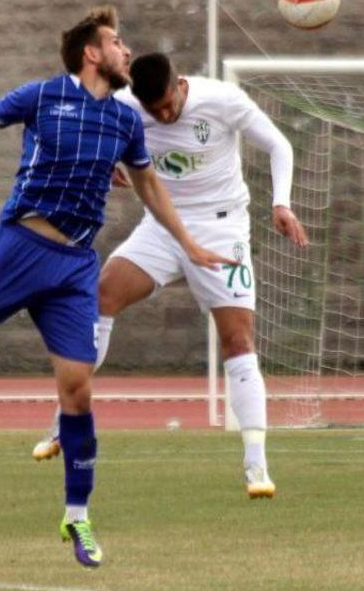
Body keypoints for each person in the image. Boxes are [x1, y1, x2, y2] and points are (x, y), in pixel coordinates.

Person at [0, 8, 233, 567]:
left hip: (74, 267)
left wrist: (189, 241)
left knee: (78, 389)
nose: (126, 51)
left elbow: (150, 186)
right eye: (117, 42)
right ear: (91, 53)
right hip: (16, 249)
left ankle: (77, 517)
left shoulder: (126, 121)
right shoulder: (44, 95)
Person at [32, 52, 310, 500]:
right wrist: (107, 165)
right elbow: (87, 133)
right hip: (162, 228)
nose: (163, 115)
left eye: (167, 105)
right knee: (101, 295)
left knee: (238, 341)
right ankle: (65, 420)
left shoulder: (222, 99)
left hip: (221, 228)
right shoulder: (125, 106)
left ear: (180, 84)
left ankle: (256, 464)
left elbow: (280, 145)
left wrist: (281, 202)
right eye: (154, 110)